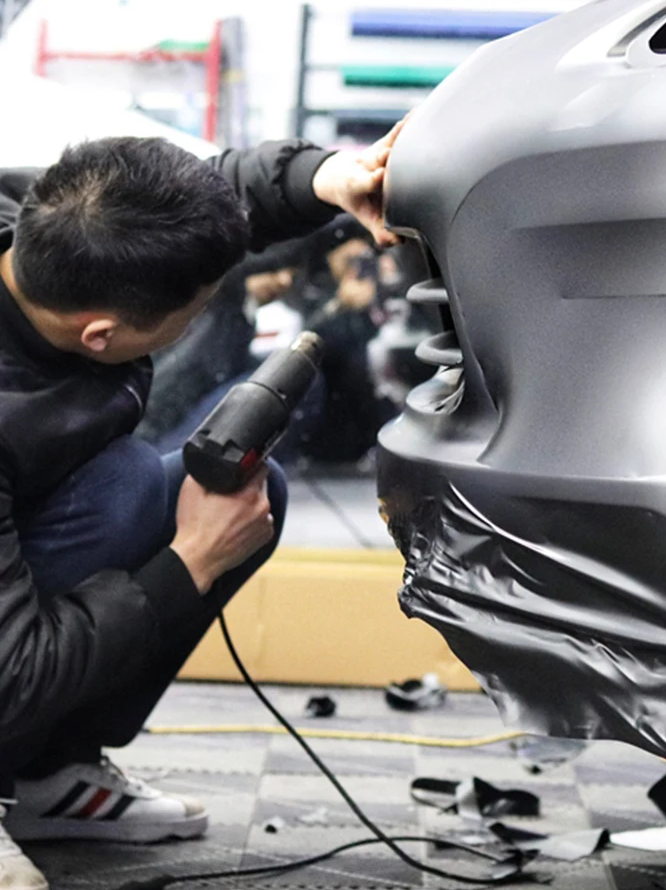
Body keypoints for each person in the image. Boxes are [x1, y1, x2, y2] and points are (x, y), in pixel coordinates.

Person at [0, 123, 403, 890]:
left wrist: (327, 178)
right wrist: (189, 564)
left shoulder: (43, 219)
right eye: (197, 307)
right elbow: (11, 675)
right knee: (136, 493)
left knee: (240, 490)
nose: (205, 309)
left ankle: (48, 774)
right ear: (101, 334)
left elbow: (199, 199)